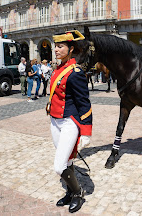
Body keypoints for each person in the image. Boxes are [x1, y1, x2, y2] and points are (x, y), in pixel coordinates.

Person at [46, 30, 92, 213]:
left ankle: (78, 192)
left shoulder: (76, 72)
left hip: (69, 122)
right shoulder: (58, 69)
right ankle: (71, 192)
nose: (56, 49)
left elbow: (84, 103)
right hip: (55, 121)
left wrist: (86, 132)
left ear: (71, 49)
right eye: (55, 46)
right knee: (69, 161)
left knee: (59, 166)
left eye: (60, 46)